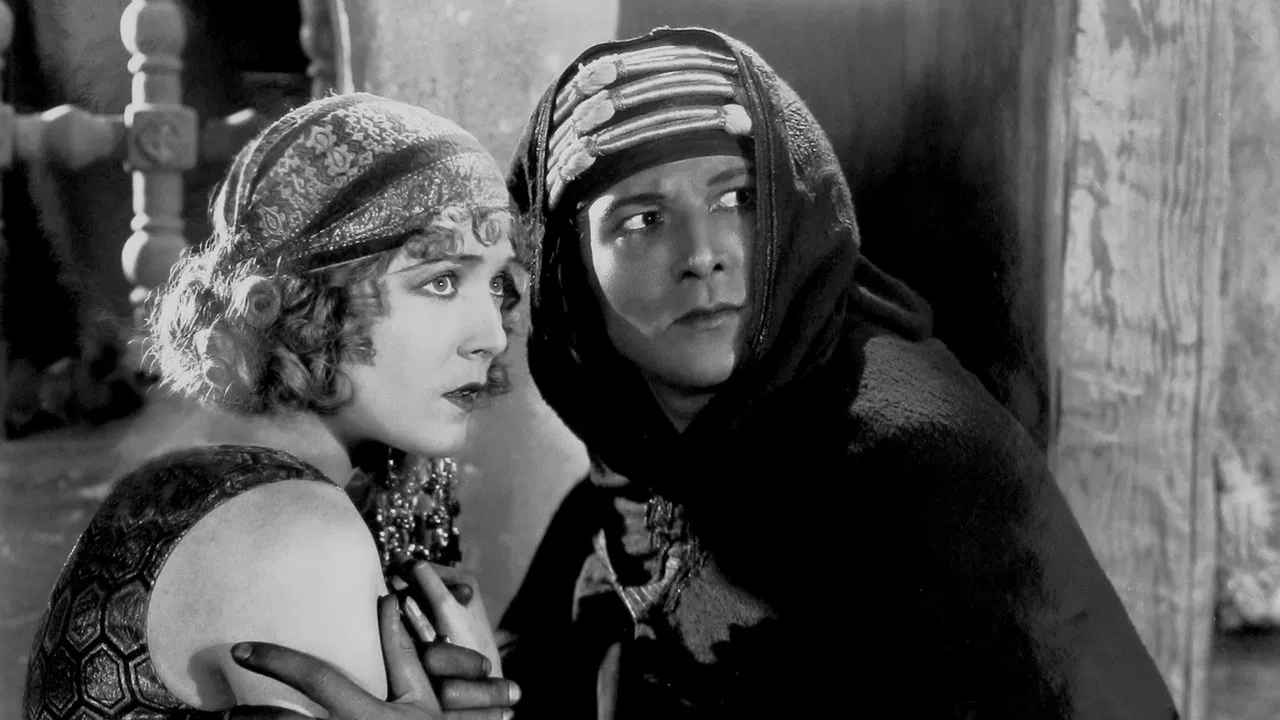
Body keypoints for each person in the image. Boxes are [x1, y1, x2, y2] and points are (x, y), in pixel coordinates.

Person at [489, 27, 1181, 718]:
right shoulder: (637, 464)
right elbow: (536, 663)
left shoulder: (914, 463)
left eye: (737, 199)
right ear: (570, 276)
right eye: (642, 220)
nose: (701, 255)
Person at [22, 93, 524, 720]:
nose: (492, 335)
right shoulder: (297, 532)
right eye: (441, 281)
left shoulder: (232, 485)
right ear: (310, 297)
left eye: (498, 283)